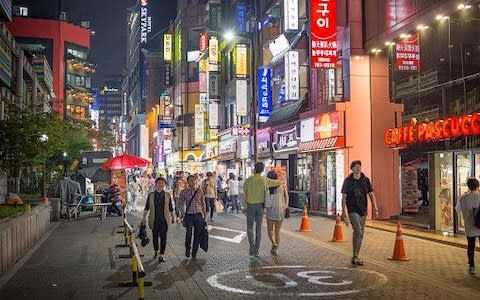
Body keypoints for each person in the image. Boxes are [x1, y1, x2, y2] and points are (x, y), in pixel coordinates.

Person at [341, 160, 379, 266]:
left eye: (359, 166)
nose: (358, 168)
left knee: (361, 233)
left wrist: (375, 208)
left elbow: (371, 194)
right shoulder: (348, 181)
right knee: (358, 230)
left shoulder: (365, 180)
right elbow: (344, 197)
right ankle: (355, 256)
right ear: (352, 168)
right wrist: (343, 211)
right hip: (352, 208)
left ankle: (355, 255)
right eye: (356, 167)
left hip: (363, 209)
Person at [243, 162, 281, 257]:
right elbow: (279, 182)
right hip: (260, 207)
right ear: (263, 170)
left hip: (250, 205)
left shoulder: (248, 181)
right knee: (258, 228)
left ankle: (251, 246)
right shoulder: (265, 180)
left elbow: (244, 195)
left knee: (250, 227)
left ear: (254, 169)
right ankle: (257, 249)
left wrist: (244, 206)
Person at [141, 177, 176, 262]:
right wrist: (143, 218)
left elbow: (170, 207)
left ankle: (161, 254)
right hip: (154, 220)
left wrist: (173, 217)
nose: (161, 184)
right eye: (159, 183)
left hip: (164, 220)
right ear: (155, 184)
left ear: (164, 184)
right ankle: (156, 250)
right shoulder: (151, 195)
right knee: (155, 237)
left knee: (164, 237)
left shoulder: (167, 195)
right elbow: (147, 207)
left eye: (163, 183)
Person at [455, 177, 480, 275]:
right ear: (477, 186)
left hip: (469, 226)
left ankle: (472, 266)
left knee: (471, 246)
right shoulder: (479, 196)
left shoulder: (463, 197)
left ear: (468, 186)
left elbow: (457, 211)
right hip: (479, 226)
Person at [179, 175, 206, 259]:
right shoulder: (184, 192)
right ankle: (187, 248)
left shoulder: (199, 191)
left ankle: (194, 252)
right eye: (191, 180)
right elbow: (180, 203)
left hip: (198, 215)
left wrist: (204, 215)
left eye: (194, 180)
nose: (193, 182)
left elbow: (203, 203)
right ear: (187, 182)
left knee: (197, 235)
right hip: (189, 215)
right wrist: (183, 214)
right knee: (189, 233)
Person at [265, 171, 289, 256]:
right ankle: (276, 249)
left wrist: (265, 208)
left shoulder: (267, 187)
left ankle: (273, 243)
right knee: (277, 231)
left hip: (271, 210)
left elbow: (267, 201)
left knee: (270, 230)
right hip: (281, 210)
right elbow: (287, 196)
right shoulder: (282, 185)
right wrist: (285, 206)